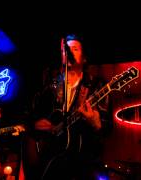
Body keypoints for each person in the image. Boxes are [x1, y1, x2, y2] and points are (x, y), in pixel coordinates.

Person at [22, 34, 112, 180]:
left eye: (74, 49)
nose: (68, 53)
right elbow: (28, 114)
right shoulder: (49, 86)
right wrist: (34, 125)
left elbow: (107, 128)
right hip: (51, 161)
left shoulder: (96, 86)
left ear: (84, 58)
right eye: (66, 50)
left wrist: (95, 122)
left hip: (84, 162)